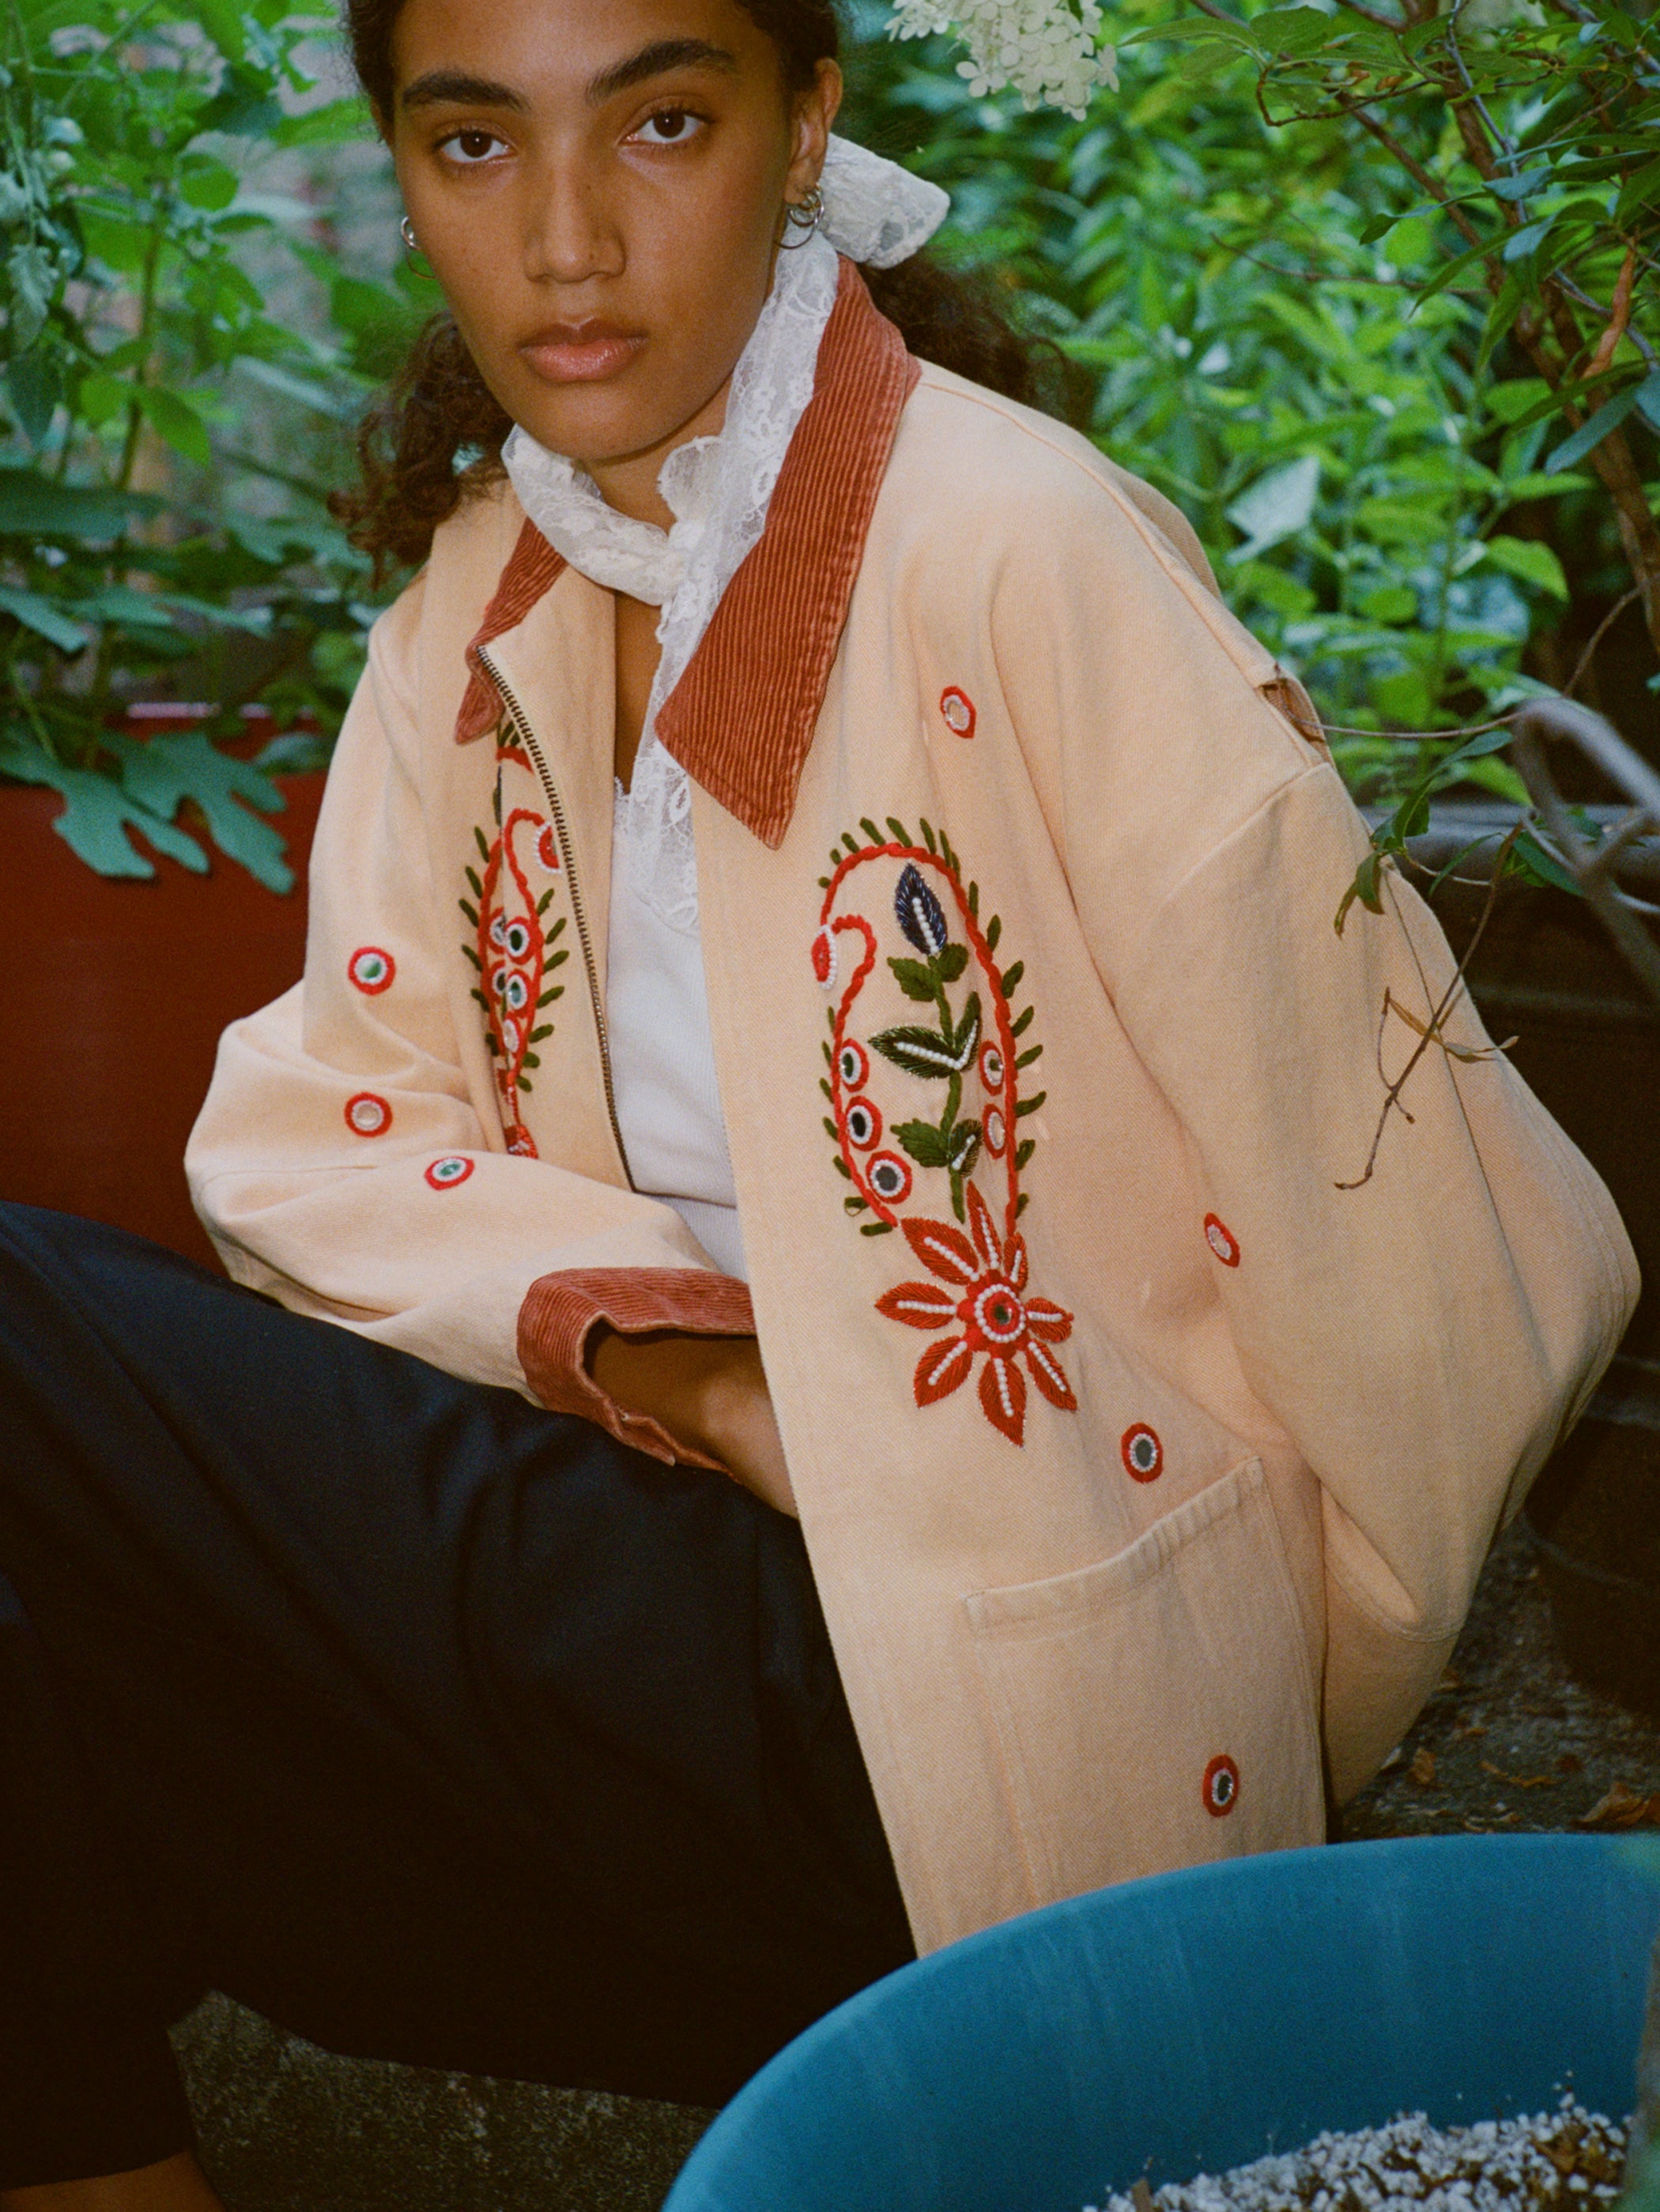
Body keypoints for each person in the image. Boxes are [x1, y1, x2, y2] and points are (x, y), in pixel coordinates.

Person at [0, 0, 1637, 2200]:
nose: (566, 241)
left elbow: (1462, 1267)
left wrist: (1176, 1688)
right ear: (401, 169)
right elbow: (316, 1132)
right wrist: (725, 1382)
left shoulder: (1014, 551)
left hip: (966, 1717)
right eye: (474, 144)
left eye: (659, 121)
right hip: (681, 1611)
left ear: (802, 133)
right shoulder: (481, 601)